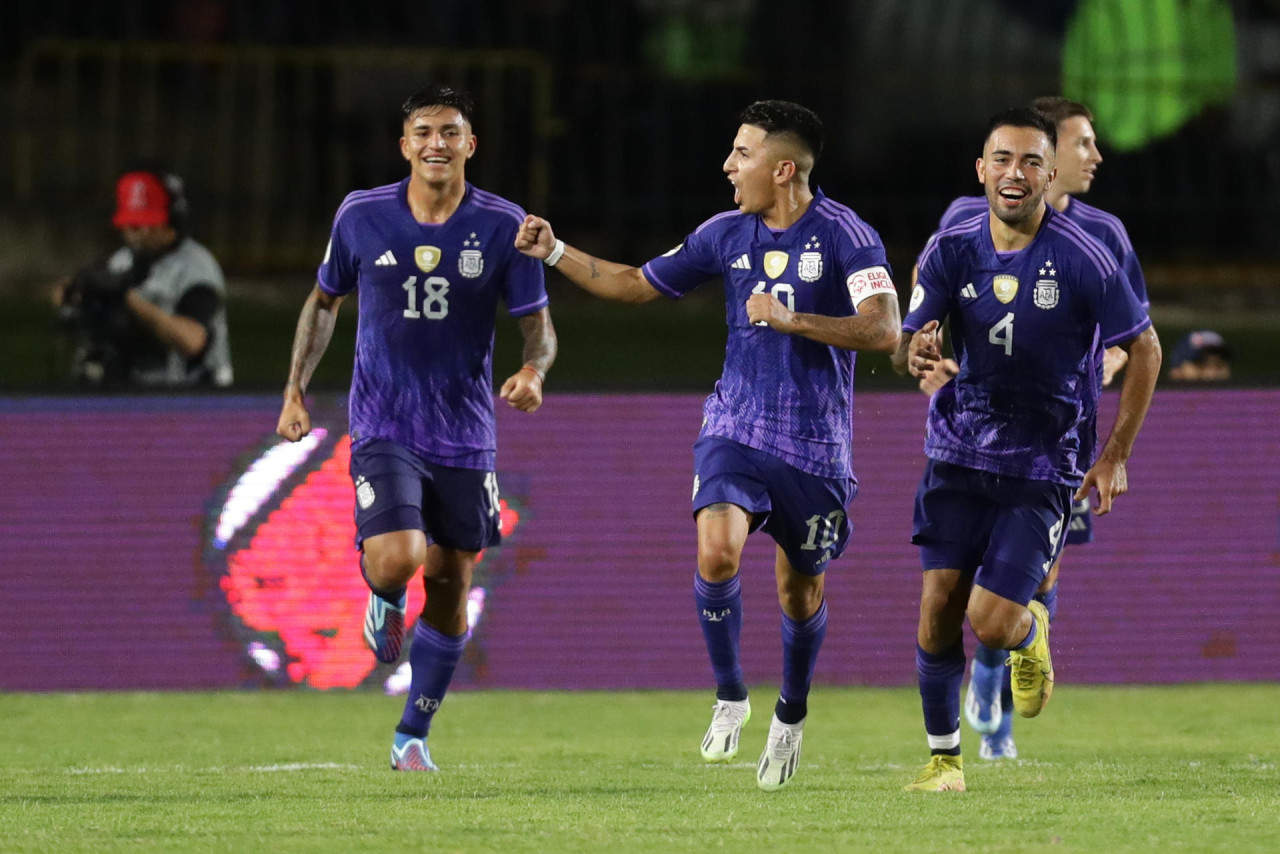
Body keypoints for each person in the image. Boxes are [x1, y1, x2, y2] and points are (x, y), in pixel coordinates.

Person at [515, 100, 901, 791]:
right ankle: (730, 694)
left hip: (815, 446)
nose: (728, 165)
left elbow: (883, 332)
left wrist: (794, 320)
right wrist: (554, 251)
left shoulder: (848, 236)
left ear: (783, 169)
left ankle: (790, 714)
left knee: (799, 587)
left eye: (742, 153)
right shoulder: (725, 234)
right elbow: (636, 283)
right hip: (735, 424)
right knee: (716, 548)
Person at [275, 84, 557, 772]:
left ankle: (412, 736)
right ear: (404, 145)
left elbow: (538, 328)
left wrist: (534, 371)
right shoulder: (361, 215)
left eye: (450, 132)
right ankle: (384, 592)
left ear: (470, 145)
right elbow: (322, 304)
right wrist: (294, 390)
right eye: (424, 131)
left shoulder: (503, 225)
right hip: (384, 423)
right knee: (401, 558)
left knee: (454, 581)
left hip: (464, 433)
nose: (437, 142)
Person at [894, 108, 1160, 792]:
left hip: (1042, 461)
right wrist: (917, 344)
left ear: (1048, 176)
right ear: (981, 170)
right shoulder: (955, 243)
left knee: (990, 620)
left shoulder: (1088, 251)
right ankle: (944, 761)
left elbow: (1145, 346)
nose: (1016, 174)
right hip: (957, 448)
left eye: (1031, 162)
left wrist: (1115, 453)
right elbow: (910, 331)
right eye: (1003, 161)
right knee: (936, 612)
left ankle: (1027, 632)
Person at [56, 169, 233, 387]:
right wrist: (77, 294)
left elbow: (192, 341)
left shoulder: (195, 267)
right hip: (136, 388)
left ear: (172, 222)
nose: (135, 232)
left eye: (144, 224)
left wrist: (131, 302)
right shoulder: (122, 260)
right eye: (129, 224)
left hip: (197, 396)